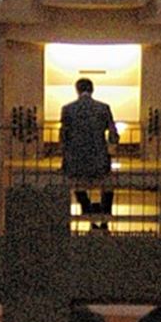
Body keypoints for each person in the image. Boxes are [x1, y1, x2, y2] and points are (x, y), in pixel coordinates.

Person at [60, 77, 119, 229]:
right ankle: (105, 217)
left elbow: (63, 137)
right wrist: (110, 145)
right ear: (92, 90)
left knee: (77, 183)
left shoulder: (68, 109)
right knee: (108, 184)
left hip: (76, 162)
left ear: (77, 90)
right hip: (99, 162)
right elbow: (113, 135)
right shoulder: (103, 108)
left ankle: (87, 209)